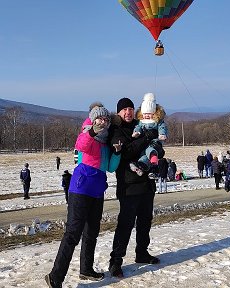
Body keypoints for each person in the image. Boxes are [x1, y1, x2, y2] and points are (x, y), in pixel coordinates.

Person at [45, 103, 122, 288]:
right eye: (99, 119)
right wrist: (93, 132)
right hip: (80, 190)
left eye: (106, 119)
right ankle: (55, 277)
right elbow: (80, 145)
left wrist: (117, 153)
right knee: (72, 234)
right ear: (93, 119)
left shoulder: (105, 144)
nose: (103, 122)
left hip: (97, 192)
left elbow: (110, 167)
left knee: (91, 234)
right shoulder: (88, 134)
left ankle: (86, 269)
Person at [108, 97, 163, 278]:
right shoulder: (116, 131)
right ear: (119, 113)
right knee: (125, 224)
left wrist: (157, 151)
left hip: (147, 183)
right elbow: (126, 152)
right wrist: (146, 139)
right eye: (124, 110)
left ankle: (142, 252)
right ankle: (115, 261)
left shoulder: (143, 124)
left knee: (145, 221)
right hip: (128, 185)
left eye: (130, 109)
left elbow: (157, 145)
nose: (128, 112)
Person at [130, 92, 167, 176]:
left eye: (149, 114)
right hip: (144, 142)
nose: (147, 116)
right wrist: (136, 132)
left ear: (154, 113)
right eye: (145, 114)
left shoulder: (157, 121)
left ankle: (153, 159)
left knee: (149, 149)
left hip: (154, 141)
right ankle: (142, 165)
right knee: (143, 153)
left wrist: (162, 134)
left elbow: (162, 127)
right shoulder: (141, 121)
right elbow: (138, 127)